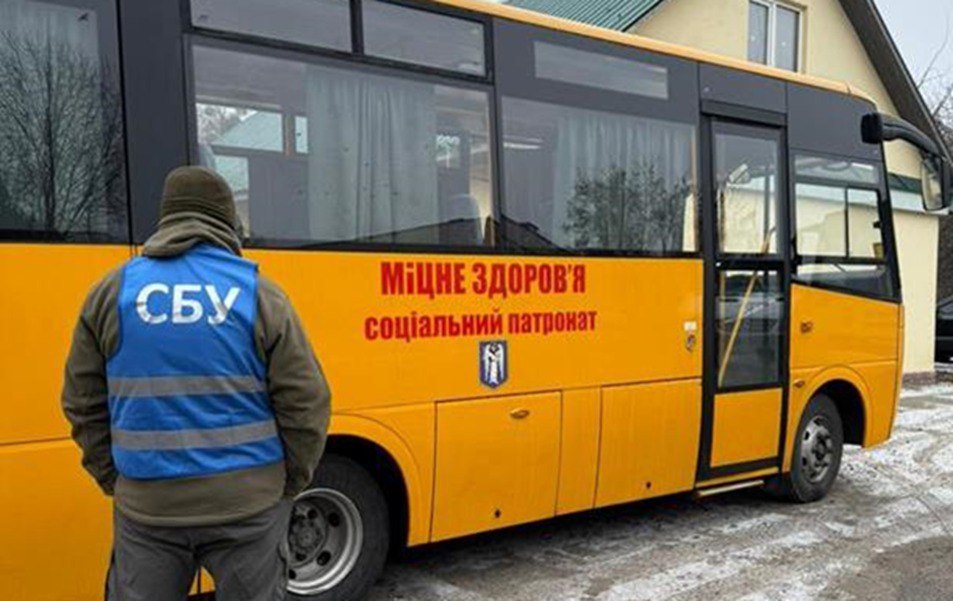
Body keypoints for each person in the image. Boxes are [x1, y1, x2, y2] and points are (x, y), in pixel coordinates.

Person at [61, 166, 331, 601]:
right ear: (227, 221)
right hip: (248, 508)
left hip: (148, 509)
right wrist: (288, 483)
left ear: (167, 218)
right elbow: (307, 402)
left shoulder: (111, 293)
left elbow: (81, 402)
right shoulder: (260, 294)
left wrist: (115, 478)